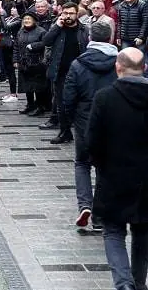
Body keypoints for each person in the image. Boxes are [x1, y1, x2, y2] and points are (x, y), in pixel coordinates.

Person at [87, 48, 148, 290]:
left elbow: (92, 140)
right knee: (142, 230)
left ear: (118, 67)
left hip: (114, 176)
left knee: (113, 230)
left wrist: (100, 164)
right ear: (145, 67)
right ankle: (139, 283)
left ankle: (124, 284)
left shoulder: (105, 98)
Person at [61, 22, 118, 225]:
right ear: (110, 38)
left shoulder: (78, 64)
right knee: (105, 167)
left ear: (90, 39)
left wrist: (70, 120)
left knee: (82, 164)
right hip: (111, 122)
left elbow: (68, 97)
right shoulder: (119, 63)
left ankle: (85, 205)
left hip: (85, 120)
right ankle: (100, 213)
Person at [41, 3, 89, 132]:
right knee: (61, 102)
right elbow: (46, 41)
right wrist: (57, 27)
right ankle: (64, 131)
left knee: (78, 102)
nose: (68, 16)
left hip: (79, 72)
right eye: (65, 13)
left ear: (77, 14)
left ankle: (78, 129)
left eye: (71, 13)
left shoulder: (84, 30)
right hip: (60, 71)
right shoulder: (57, 28)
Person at [13, 11, 50, 116]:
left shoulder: (41, 31)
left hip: (37, 63)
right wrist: (15, 60)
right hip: (24, 63)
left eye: (29, 19)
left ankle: (40, 107)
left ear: (34, 20)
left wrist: (34, 46)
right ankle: (30, 105)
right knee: (27, 86)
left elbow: (46, 43)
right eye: (25, 19)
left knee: (37, 87)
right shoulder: (20, 32)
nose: (27, 21)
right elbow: (16, 46)